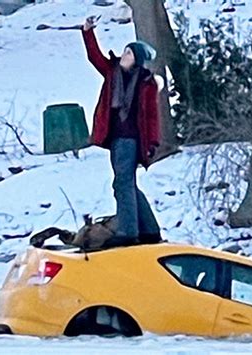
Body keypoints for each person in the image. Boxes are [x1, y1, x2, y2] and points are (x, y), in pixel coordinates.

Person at [81, 16, 162, 248]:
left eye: (128, 53)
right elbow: (94, 56)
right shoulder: (112, 72)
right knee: (127, 183)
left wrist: (152, 142)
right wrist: (88, 32)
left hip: (132, 139)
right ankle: (149, 230)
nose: (124, 56)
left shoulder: (146, 83)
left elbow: (151, 115)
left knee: (122, 184)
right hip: (115, 138)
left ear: (136, 60)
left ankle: (129, 230)